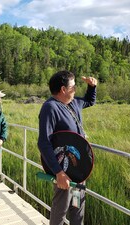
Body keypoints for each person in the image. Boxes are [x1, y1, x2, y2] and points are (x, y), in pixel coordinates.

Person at [37, 70, 97, 225]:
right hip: (64, 170)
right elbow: (44, 142)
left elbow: (89, 101)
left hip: (79, 170)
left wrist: (92, 87)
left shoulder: (74, 103)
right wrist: (59, 172)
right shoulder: (50, 108)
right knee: (61, 209)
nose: (76, 89)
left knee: (77, 206)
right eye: (73, 86)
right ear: (63, 89)